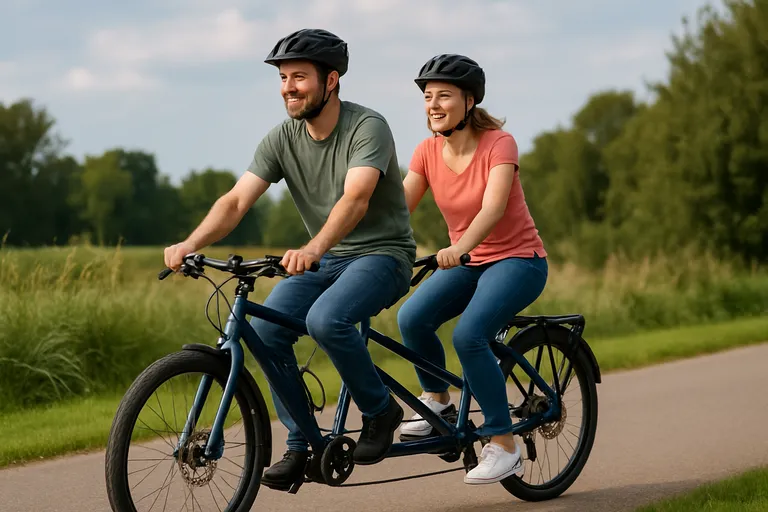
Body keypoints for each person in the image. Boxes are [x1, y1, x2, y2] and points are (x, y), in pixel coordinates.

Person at [163, 28, 416, 490]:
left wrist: (314, 247)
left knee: (326, 320)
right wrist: (191, 242)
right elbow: (237, 201)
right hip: (326, 259)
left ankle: (381, 411)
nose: (288, 88)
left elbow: (356, 199)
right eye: (283, 78)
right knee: (265, 331)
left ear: (332, 80)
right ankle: (302, 445)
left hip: (382, 255)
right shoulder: (282, 138)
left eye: (299, 76)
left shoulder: (367, 127)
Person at [397, 54, 549, 484]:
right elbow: (398, 209)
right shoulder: (427, 151)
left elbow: (494, 205)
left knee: (469, 335)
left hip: (519, 260)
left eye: (443, 95)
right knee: (412, 317)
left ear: (469, 100)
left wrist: (460, 246)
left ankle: (503, 445)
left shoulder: (499, 143)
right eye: (427, 97)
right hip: (471, 261)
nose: (433, 105)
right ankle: (438, 401)